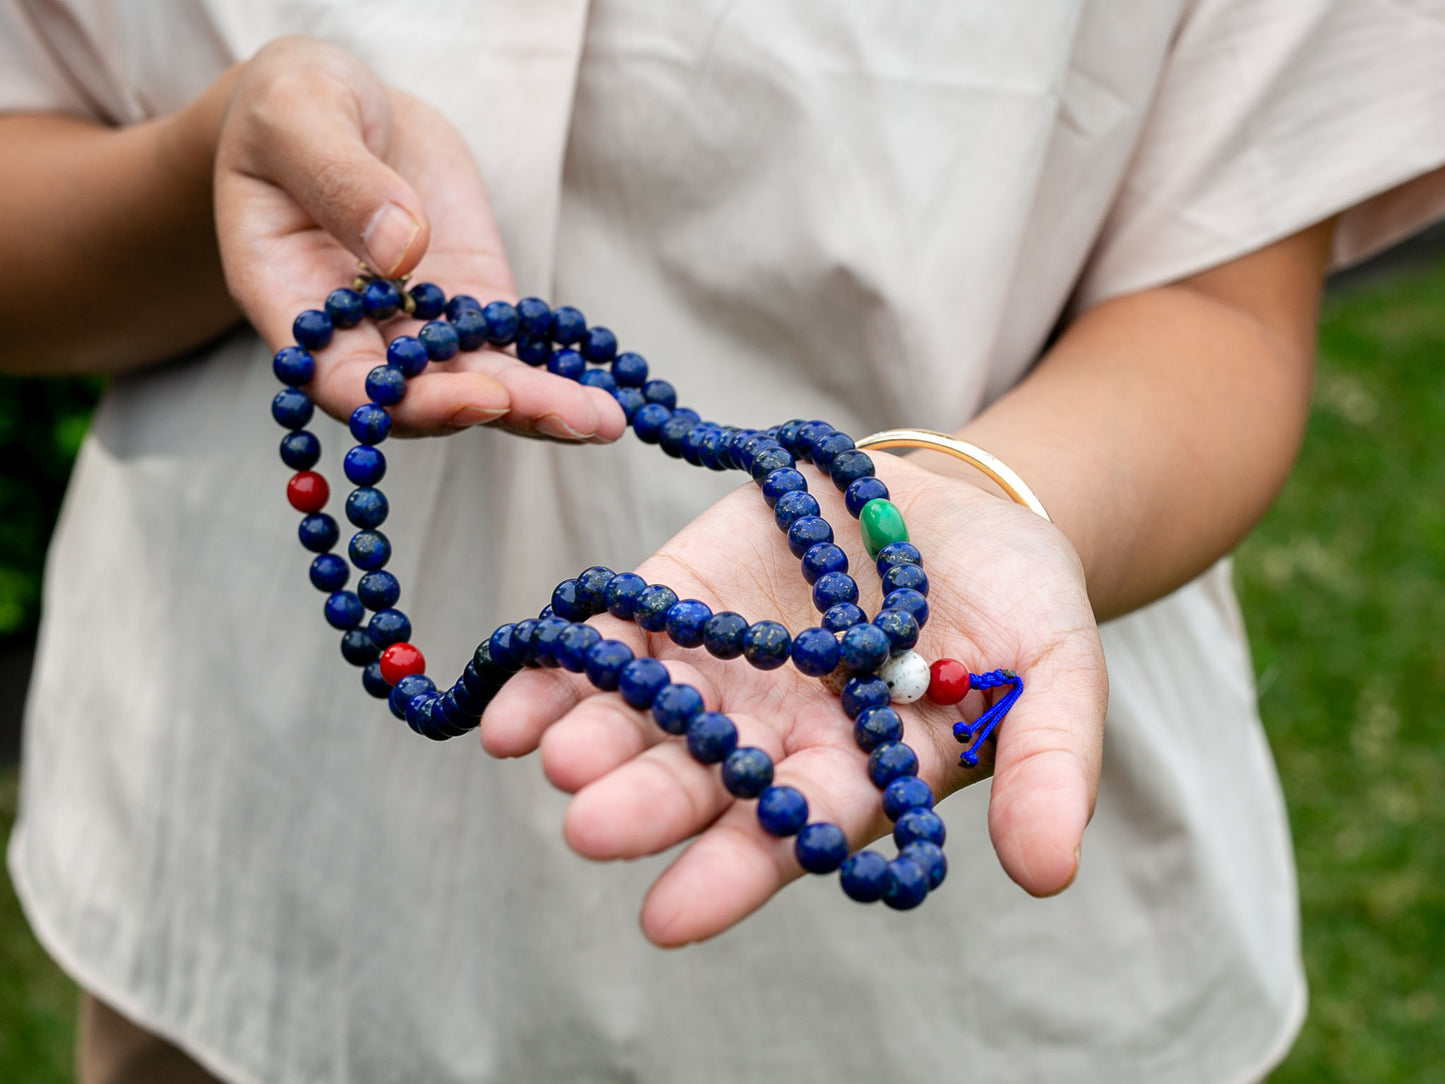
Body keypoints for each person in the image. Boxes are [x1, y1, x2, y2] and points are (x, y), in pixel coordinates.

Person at [2, 2, 1443, 1081]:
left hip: (965, 1015)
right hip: (247, 884)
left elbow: (1220, 311)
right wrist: (218, 160)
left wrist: (980, 487)